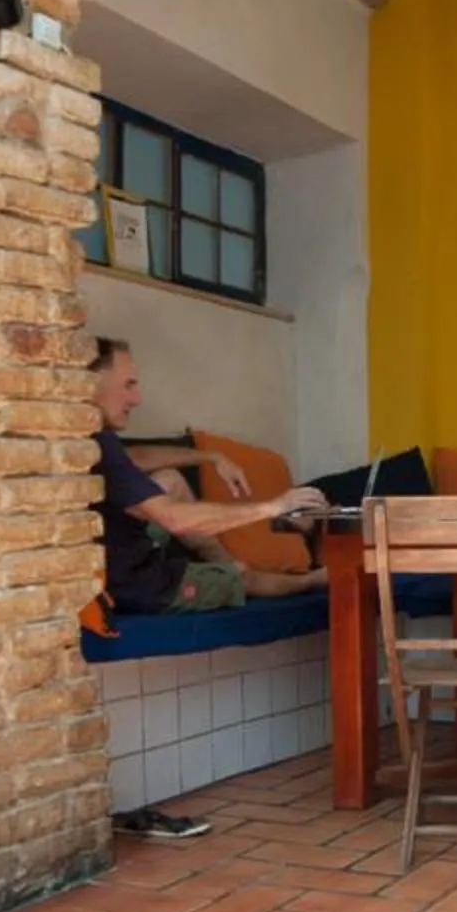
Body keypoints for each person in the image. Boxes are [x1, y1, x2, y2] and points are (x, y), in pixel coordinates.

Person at [88, 336, 328, 840]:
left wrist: (209, 455)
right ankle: (298, 577)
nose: (137, 397)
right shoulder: (92, 439)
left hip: (126, 551)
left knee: (172, 477)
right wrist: (271, 506)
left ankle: (225, 565)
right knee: (236, 574)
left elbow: (142, 458)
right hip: (142, 587)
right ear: (91, 383)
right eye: (128, 384)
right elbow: (173, 519)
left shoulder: (91, 435)